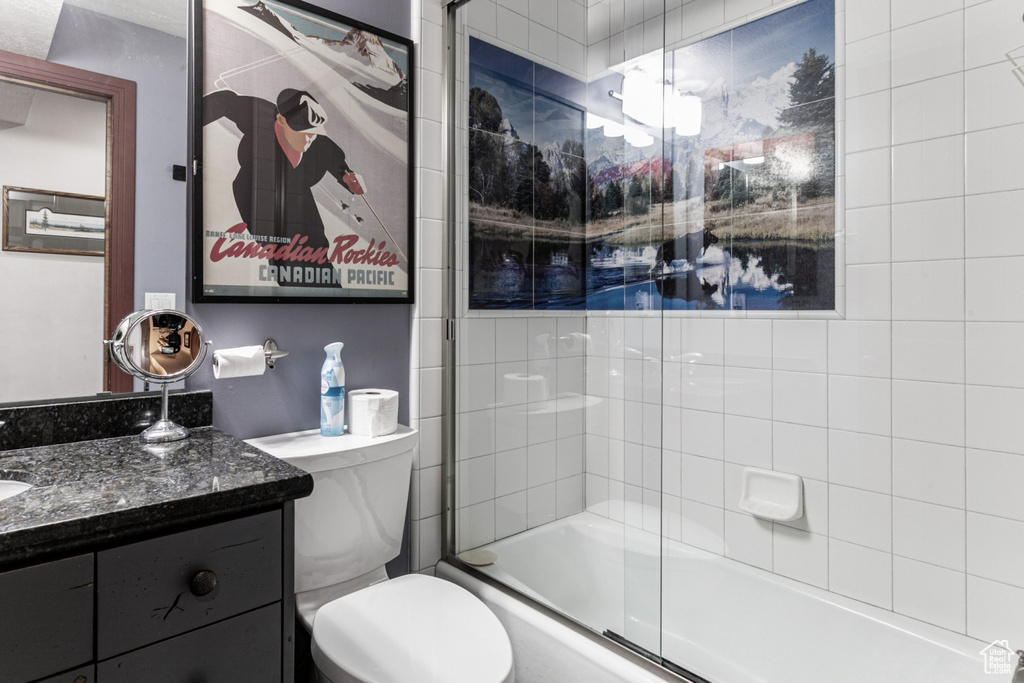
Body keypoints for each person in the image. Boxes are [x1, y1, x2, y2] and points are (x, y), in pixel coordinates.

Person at [203, 87, 365, 286]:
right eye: (304, 133)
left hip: (296, 196)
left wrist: (349, 181)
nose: (309, 138)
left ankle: (326, 292)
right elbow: (226, 100)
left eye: (313, 134)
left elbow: (341, 167)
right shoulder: (261, 116)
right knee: (287, 251)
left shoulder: (320, 146)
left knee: (314, 246)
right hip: (256, 188)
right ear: (281, 121)